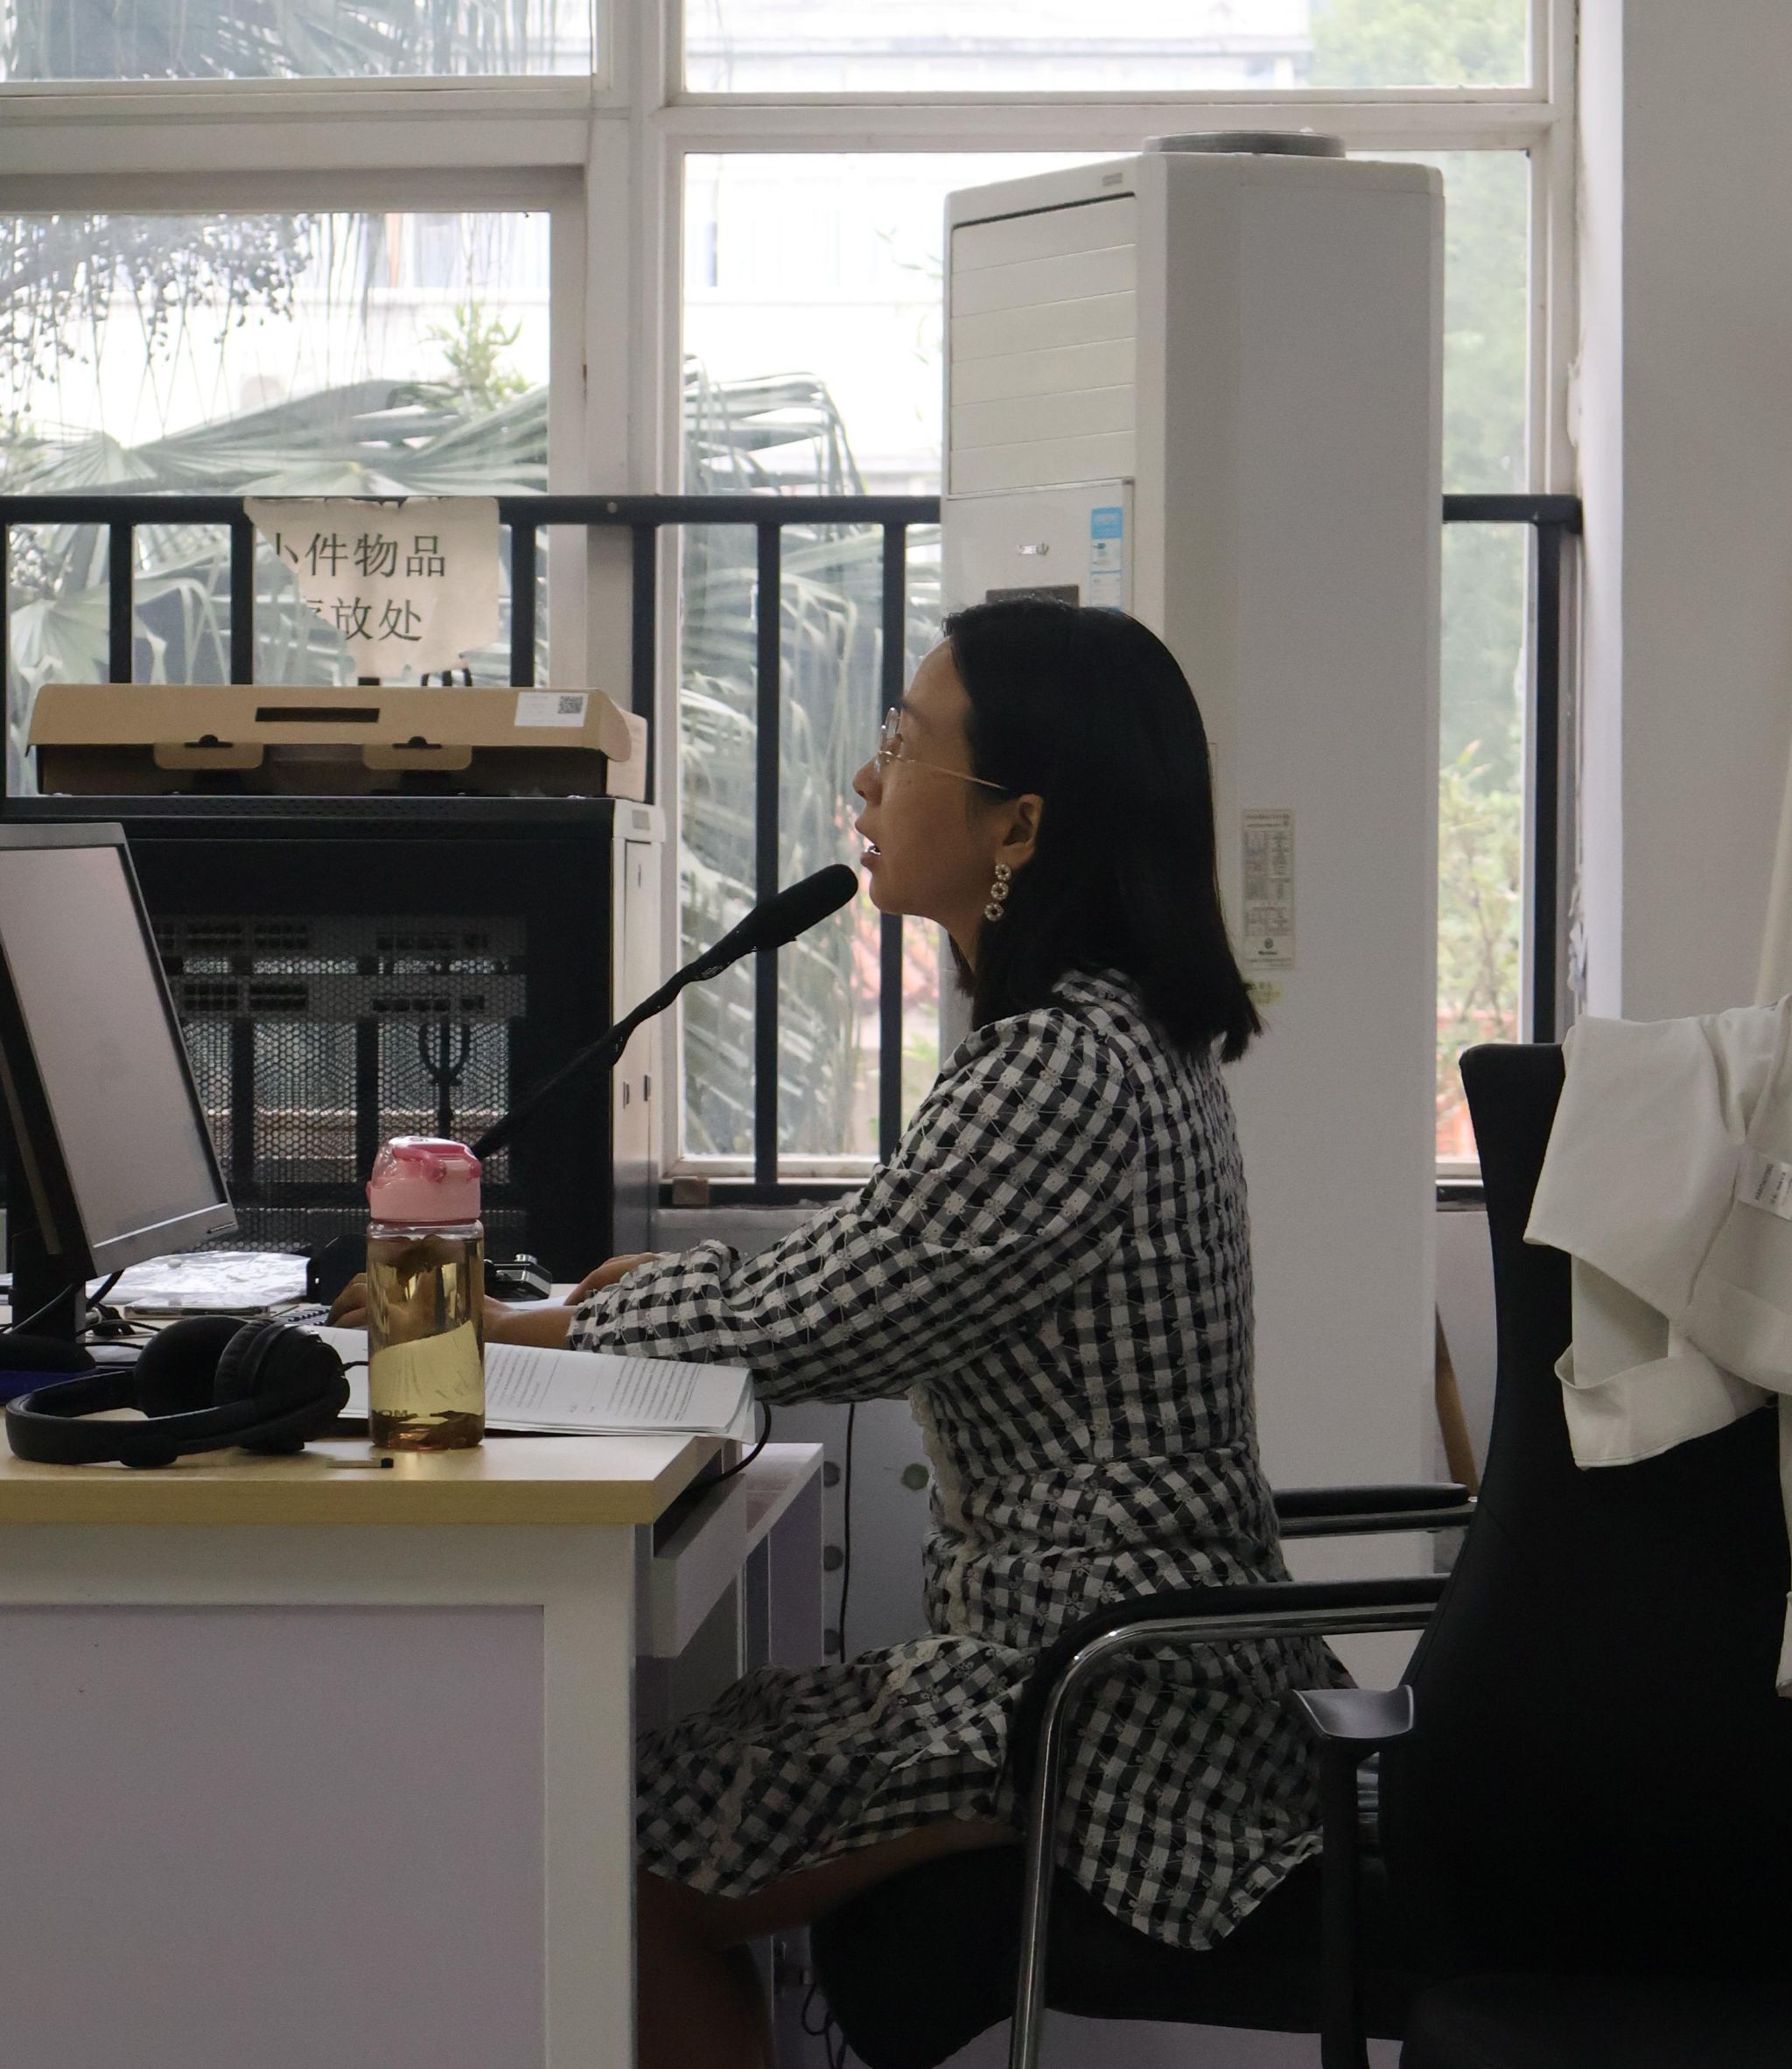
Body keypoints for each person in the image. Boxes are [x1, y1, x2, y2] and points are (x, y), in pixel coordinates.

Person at [333, 598, 1344, 2069]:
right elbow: (875, 1264)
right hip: (1101, 1662)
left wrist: (521, 1326)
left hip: (1111, 1705)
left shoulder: (1062, 1064)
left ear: (1019, 826)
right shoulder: (1105, 1033)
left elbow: (821, 1321)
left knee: (613, 1842)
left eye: (906, 746)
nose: (868, 781)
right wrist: (591, 1311)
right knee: (655, 1787)